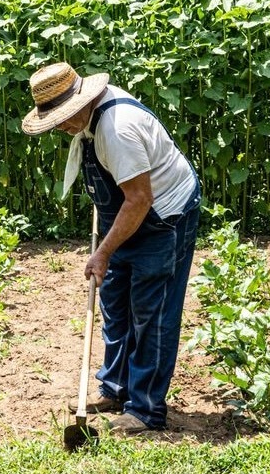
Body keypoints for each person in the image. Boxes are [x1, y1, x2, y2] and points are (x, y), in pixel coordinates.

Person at [22, 62, 201, 433]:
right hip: (129, 214)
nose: (60, 127)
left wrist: (103, 252)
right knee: (115, 302)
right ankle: (115, 389)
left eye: (63, 118)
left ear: (81, 102)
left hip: (163, 217)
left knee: (151, 313)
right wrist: (108, 242)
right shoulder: (90, 122)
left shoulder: (116, 130)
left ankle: (145, 409)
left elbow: (139, 198)